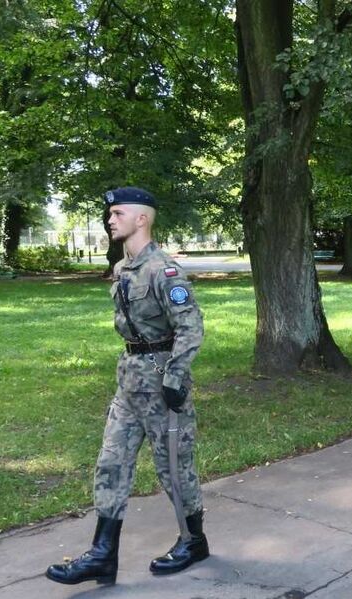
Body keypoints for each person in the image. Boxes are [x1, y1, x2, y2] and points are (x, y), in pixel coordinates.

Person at [46, 187, 209, 586]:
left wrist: (174, 378)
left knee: (172, 467)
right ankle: (103, 555)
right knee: (111, 463)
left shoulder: (164, 271)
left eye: (118, 213)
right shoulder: (123, 269)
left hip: (161, 383)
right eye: (109, 214)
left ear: (142, 219)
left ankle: (193, 541)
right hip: (129, 382)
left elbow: (191, 327)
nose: (110, 219)